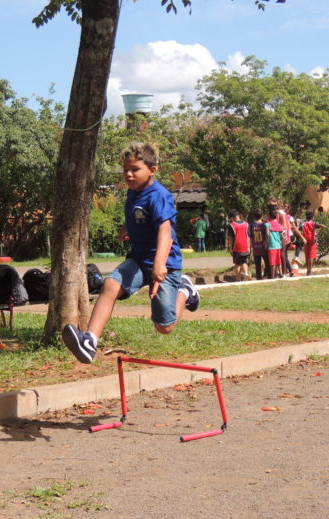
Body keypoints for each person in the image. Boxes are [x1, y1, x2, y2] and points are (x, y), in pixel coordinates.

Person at [62, 142, 200, 364]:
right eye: (125, 169)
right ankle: (90, 341)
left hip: (165, 264)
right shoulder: (133, 191)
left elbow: (166, 232)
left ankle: (185, 290)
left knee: (164, 326)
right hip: (138, 260)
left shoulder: (158, 195)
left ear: (152, 170)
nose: (128, 174)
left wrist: (158, 264)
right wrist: (126, 228)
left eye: (135, 169)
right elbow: (136, 215)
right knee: (110, 285)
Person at [299, 210, 326, 276]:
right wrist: (318, 234)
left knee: (307, 256)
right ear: (313, 217)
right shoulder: (314, 223)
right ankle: (309, 271)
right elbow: (323, 226)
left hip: (305, 241)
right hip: (312, 241)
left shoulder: (303, 224)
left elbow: (297, 230)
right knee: (311, 256)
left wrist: (302, 236)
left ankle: (307, 270)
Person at [227, 209, 251, 281]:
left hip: (236, 247)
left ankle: (238, 279)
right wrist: (249, 247)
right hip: (245, 246)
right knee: (244, 262)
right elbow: (248, 236)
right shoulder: (246, 224)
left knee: (237, 263)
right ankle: (246, 273)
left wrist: (231, 248)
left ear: (232, 217)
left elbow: (231, 238)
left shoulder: (231, 225)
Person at [249, 207, 269, 280]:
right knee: (267, 262)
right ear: (262, 216)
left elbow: (250, 237)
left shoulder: (251, 226)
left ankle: (259, 277)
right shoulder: (264, 225)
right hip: (263, 246)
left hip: (255, 246)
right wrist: (266, 241)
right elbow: (267, 234)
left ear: (254, 216)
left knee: (257, 264)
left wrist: (251, 247)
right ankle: (266, 276)